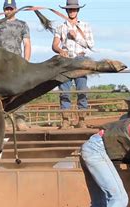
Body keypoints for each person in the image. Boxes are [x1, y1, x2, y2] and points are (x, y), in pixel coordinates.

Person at [0, 0, 31, 131]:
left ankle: (20, 119)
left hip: (17, 64)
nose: (9, 11)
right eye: (7, 9)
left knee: (19, 91)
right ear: (3, 9)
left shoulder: (22, 25)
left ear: (16, 9)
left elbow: (27, 44)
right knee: (2, 92)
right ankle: (5, 119)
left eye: (11, 9)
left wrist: (26, 62)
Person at [52, 0, 94, 129]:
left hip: (81, 60)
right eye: (70, 9)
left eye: (74, 9)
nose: (72, 11)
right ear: (66, 10)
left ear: (78, 10)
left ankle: (81, 119)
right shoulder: (60, 27)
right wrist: (60, 50)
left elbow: (91, 45)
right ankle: (66, 120)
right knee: (64, 91)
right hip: (66, 61)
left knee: (81, 90)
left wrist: (76, 37)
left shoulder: (85, 26)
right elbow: (54, 45)